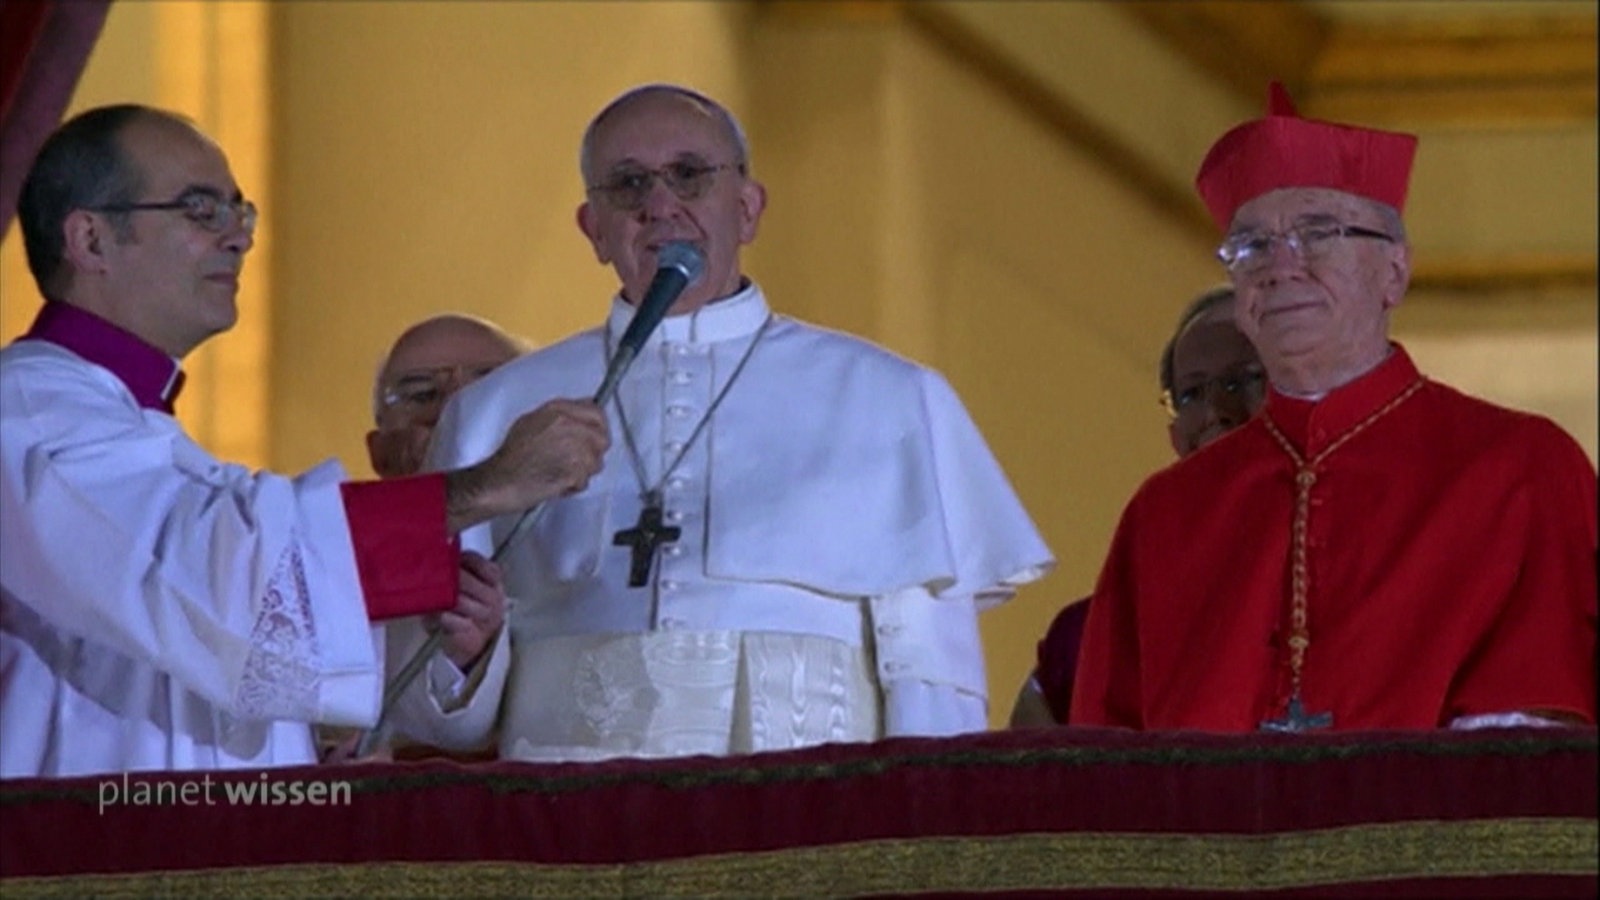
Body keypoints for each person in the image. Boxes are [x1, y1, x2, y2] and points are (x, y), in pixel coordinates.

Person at [398, 83, 1053, 762]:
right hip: (570, 824)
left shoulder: (889, 398)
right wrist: (468, 658)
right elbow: (434, 719)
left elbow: (930, 677)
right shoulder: (495, 413)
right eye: (627, 185)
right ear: (593, 229)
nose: (659, 206)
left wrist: (920, 837)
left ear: (747, 208)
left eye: (689, 175)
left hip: (805, 818)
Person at [0, 104, 608, 777]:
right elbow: (209, 576)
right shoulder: (25, 412)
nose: (238, 237)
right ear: (90, 239)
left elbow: (204, 633)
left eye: (240, 212)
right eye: (201, 210)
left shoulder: (136, 429)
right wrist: (487, 486)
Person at [1071, 84, 1597, 732]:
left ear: (1394, 272)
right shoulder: (1165, 515)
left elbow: (1533, 745)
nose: (1280, 267)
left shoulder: (1520, 469)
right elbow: (1104, 766)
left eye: (1317, 233)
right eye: (1251, 246)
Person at [1009, 285, 1264, 727]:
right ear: (1175, 436)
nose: (1215, 411)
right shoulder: (1083, 642)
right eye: (1191, 393)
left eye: (1242, 380)